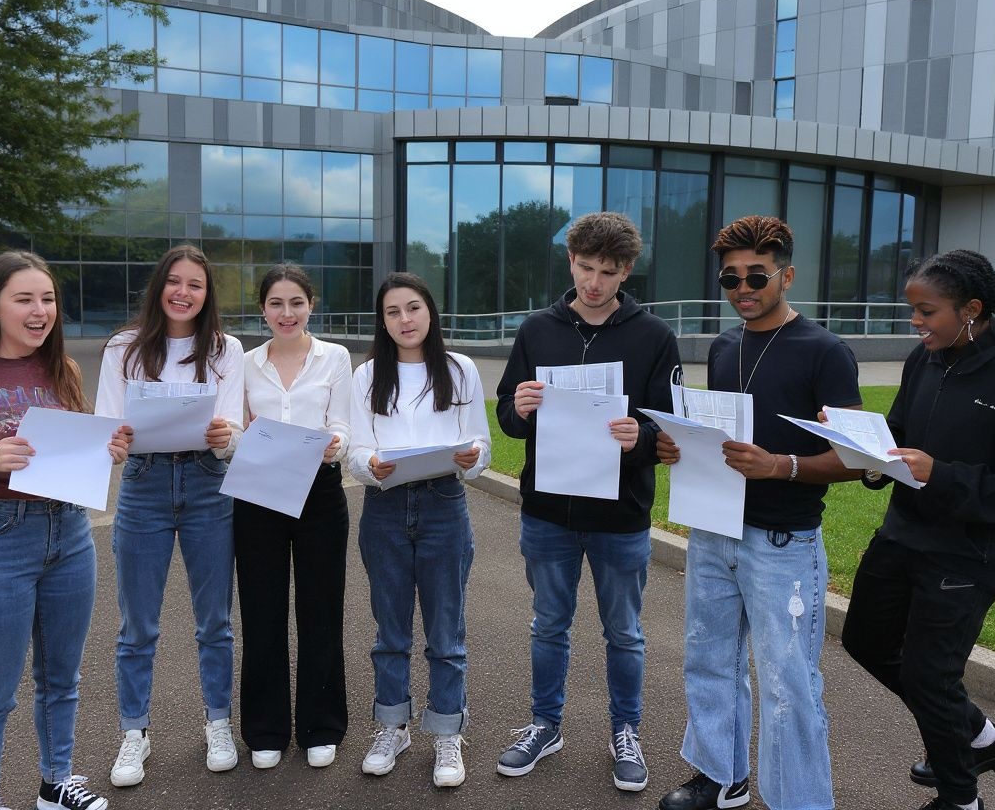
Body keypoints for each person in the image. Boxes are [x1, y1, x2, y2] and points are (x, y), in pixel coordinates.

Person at [840, 250, 995, 810]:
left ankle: (960, 797)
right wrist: (862, 445)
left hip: (971, 553)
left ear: (972, 309)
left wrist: (940, 474)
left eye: (926, 311)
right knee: (863, 639)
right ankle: (981, 737)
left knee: (927, 675)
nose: (915, 323)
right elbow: (899, 432)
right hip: (905, 532)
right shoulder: (926, 359)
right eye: (912, 310)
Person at [656, 215, 861, 810]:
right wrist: (679, 448)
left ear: (787, 275)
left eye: (756, 275)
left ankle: (799, 801)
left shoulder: (825, 352)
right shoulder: (724, 347)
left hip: (783, 543)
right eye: (730, 277)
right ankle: (722, 777)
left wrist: (780, 466)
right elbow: (719, 436)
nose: (742, 288)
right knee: (708, 661)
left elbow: (856, 461)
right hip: (713, 526)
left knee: (788, 682)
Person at [0, 250, 124, 810]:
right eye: (24, 299)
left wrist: (107, 451)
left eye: (48, 299)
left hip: (70, 534)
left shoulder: (65, 370)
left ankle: (56, 785)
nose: (40, 311)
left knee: (63, 678)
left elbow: (76, 457)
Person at [495, 211, 680, 793]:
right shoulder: (537, 330)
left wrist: (641, 438)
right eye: (584, 267)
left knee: (623, 631)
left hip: (619, 515)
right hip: (547, 510)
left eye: (606, 271)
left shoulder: (654, 337)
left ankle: (625, 729)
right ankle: (545, 724)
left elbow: (665, 427)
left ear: (626, 271)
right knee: (549, 624)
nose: (593, 283)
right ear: (569, 260)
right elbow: (507, 417)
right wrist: (520, 409)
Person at [95, 244, 245, 786]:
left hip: (209, 483)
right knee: (138, 624)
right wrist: (114, 441)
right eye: (174, 282)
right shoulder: (124, 347)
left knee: (215, 621)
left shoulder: (227, 349)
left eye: (196, 285)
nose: (184, 293)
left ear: (208, 296)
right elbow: (107, 423)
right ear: (159, 287)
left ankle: (218, 721)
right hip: (144, 484)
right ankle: (134, 732)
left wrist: (226, 435)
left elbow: (231, 428)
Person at [347, 272, 491, 788]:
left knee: (446, 632)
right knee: (390, 632)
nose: (404, 320)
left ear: (430, 312)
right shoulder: (366, 376)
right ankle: (392, 726)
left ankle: (448, 734)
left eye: (413, 308)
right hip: (384, 508)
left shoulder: (460, 369)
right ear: (382, 321)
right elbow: (356, 449)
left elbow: (481, 444)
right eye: (393, 312)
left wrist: (472, 459)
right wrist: (371, 465)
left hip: (444, 506)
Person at [233, 264, 352, 770]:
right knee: (261, 612)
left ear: (311, 305)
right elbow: (232, 434)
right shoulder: (243, 363)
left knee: (320, 610)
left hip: (319, 488)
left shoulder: (336, 357)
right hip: (258, 490)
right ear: (263, 308)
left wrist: (337, 444)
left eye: (296, 303)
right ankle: (265, 729)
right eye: (277, 304)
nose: (287, 314)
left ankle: (321, 725)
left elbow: (343, 423)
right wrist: (240, 438)